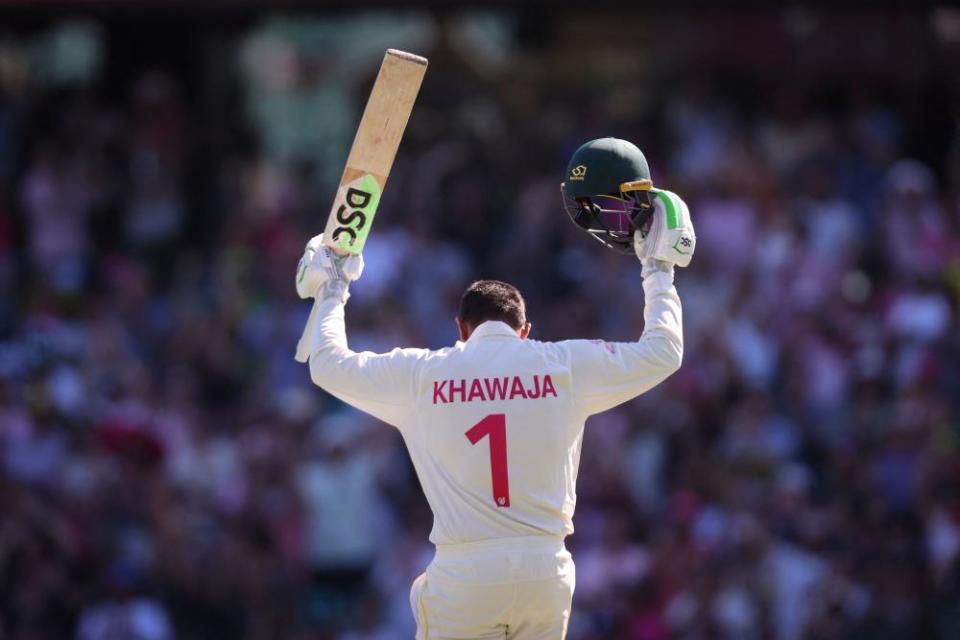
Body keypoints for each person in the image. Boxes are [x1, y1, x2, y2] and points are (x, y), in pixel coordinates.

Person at [294, 137, 696, 639]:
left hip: (465, 571)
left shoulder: (424, 374)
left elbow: (327, 365)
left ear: (460, 329)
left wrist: (333, 288)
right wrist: (658, 272)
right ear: (525, 330)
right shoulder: (560, 365)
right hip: (545, 570)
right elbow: (663, 353)